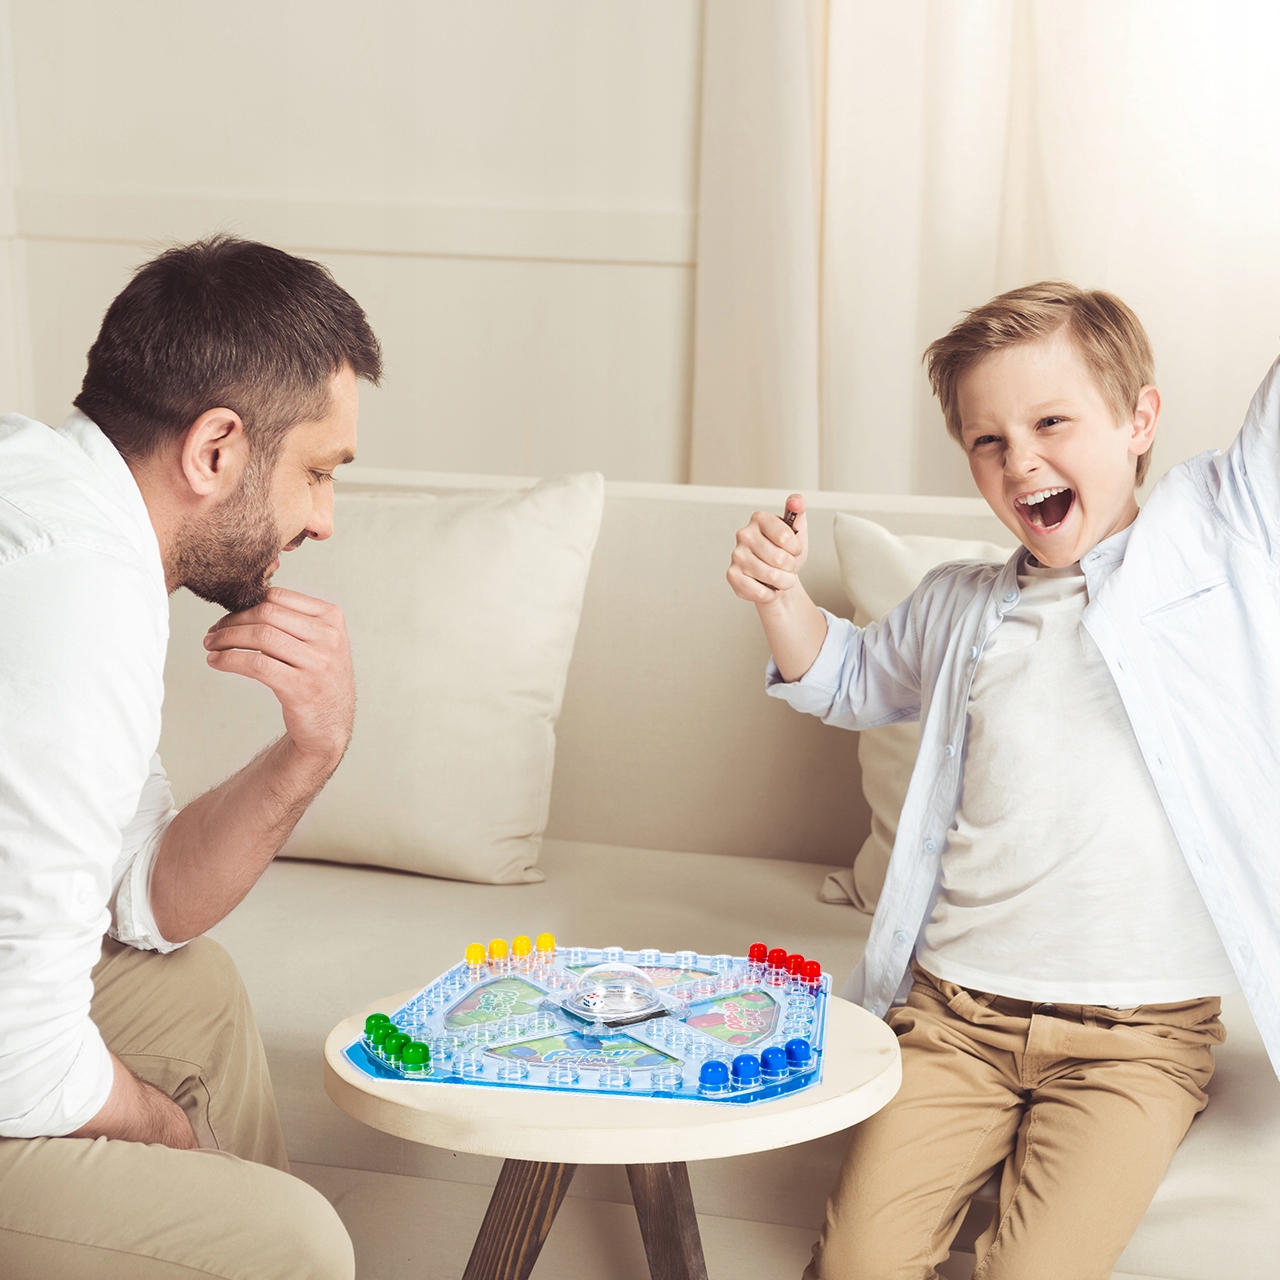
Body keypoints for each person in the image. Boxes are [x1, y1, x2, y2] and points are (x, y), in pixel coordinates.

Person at [727, 281, 1280, 1279]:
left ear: (1139, 420)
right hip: (954, 1021)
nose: (1019, 458)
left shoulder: (1214, 539)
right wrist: (779, 596)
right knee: (855, 1264)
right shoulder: (960, 604)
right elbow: (846, 677)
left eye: (1050, 423)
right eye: (988, 440)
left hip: (1136, 1044)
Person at [0, 235, 383, 1279]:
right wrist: (172, 1134)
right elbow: (21, 1056)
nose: (323, 519)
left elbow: (144, 898)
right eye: (317, 473)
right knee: (291, 1240)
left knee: (192, 990)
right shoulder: (73, 600)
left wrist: (312, 748)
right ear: (215, 448)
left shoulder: (69, 509)